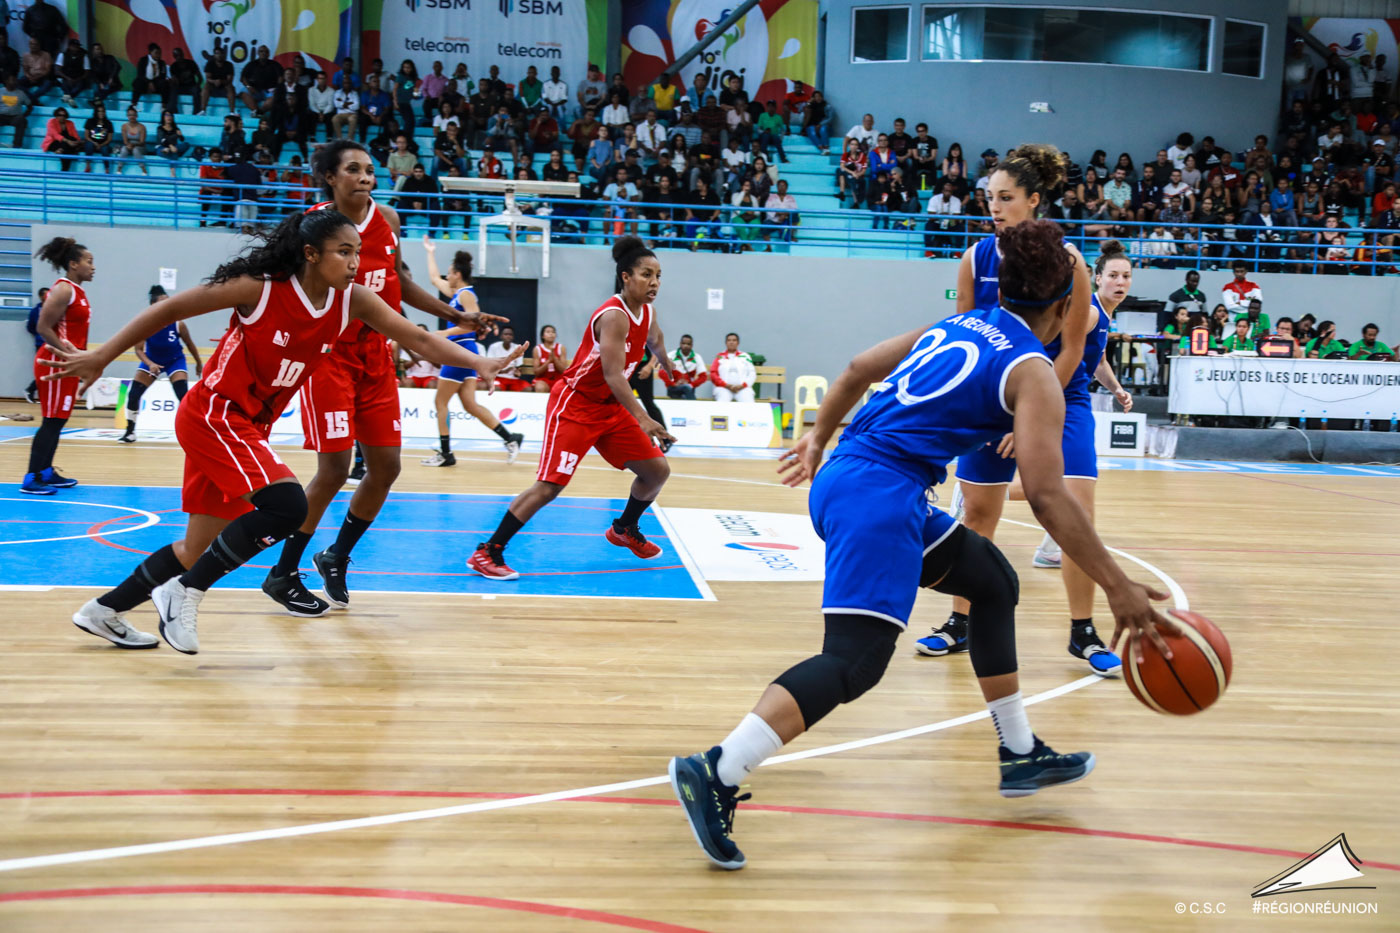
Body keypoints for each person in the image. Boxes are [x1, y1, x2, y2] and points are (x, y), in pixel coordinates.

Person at [667, 219, 1171, 870]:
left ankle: (1019, 753)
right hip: (881, 497)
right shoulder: (1034, 371)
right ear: (1063, 305)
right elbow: (1048, 496)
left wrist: (817, 438)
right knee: (855, 662)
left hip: (854, 476)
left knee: (993, 580)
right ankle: (717, 768)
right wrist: (1118, 586)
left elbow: (856, 368)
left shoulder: (958, 323)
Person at [41, 210, 521, 653]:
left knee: (195, 547)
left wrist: (479, 360)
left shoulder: (351, 300)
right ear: (311, 254)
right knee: (288, 505)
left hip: (247, 425)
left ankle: (103, 610)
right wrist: (102, 356)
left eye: (358, 251)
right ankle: (185, 592)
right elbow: (170, 310)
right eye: (344, 252)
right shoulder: (259, 287)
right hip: (214, 414)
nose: (356, 262)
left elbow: (418, 338)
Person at [261, 140, 508, 617]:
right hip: (329, 357)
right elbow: (275, 283)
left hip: (377, 357)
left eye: (370, 168)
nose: (366, 175)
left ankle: (336, 555)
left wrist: (455, 316)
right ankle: (283, 573)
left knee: (387, 468)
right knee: (333, 470)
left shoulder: (389, 221)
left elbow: (400, 284)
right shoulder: (311, 226)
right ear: (330, 177)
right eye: (353, 169)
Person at [916, 144, 1119, 674]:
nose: (995, 206)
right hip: (993, 398)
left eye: (1006, 198)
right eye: (989, 198)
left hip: (1060, 392)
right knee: (978, 513)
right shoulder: (975, 258)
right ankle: (960, 623)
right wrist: (1000, 415)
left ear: (1034, 200)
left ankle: (1084, 631)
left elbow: (1072, 349)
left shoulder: (1070, 261)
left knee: (1077, 511)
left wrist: (1031, 418)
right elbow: (964, 341)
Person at [468, 237, 676, 580]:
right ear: (625, 277)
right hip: (576, 404)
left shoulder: (648, 310)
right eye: (646, 274)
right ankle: (487, 551)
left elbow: (654, 337)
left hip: (609, 409)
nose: (654, 282)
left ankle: (624, 528)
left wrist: (664, 360)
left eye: (658, 275)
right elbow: (612, 376)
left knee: (656, 471)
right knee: (550, 486)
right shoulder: (614, 316)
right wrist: (644, 418)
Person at [419, 240, 525, 467]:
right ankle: (511, 438)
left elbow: (473, 324)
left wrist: (445, 332)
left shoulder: (466, 294)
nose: (447, 277)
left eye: (450, 273)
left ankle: (446, 454)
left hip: (460, 350)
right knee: (470, 404)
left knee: (440, 402)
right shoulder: (456, 293)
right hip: (466, 351)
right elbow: (433, 279)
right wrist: (430, 253)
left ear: (458, 274)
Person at [24, 237, 94, 495]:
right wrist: (68, 354)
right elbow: (43, 327)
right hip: (54, 363)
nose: (93, 267)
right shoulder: (63, 289)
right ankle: (31, 477)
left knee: (58, 421)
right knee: (51, 422)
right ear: (73, 264)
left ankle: (45, 471)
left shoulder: (78, 290)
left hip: (67, 364)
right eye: (89, 261)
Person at [119, 284, 204, 443]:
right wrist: (150, 364)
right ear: (154, 307)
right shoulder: (145, 324)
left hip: (175, 360)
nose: (168, 305)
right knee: (133, 395)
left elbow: (190, 344)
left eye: (168, 302)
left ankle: (194, 431)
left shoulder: (178, 323)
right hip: (152, 360)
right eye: (163, 303)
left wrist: (199, 363)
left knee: (183, 395)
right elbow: (138, 350)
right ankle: (130, 432)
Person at [485, 326, 533, 391]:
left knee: (528, 389)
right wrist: (505, 371)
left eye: (510, 334)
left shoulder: (517, 347)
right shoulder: (494, 347)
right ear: (501, 336)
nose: (508, 336)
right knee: (496, 389)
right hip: (498, 378)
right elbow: (490, 368)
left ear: (513, 337)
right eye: (506, 334)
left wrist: (517, 372)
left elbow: (519, 368)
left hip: (513, 379)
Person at [661, 333, 707, 399]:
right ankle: (694, 407)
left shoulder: (697, 357)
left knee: (686, 389)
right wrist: (673, 384)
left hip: (689, 388)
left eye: (688, 344)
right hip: (673, 388)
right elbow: (662, 372)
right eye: (683, 343)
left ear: (692, 345)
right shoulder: (671, 355)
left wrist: (691, 385)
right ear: (680, 344)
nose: (685, 346)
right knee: (686, 391)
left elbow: (703, 377)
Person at [531, 323, 569, 392]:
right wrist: (549, 361)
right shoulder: (537, 349)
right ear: (543, 336)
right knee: (540, 387)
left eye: (553, 332)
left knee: (564, 388)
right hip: (543, 379)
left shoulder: (561, 348)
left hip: (558, 379)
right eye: (548, 332)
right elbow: (536, 372)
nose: (551, 334)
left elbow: (563, 371)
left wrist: (554, 359)